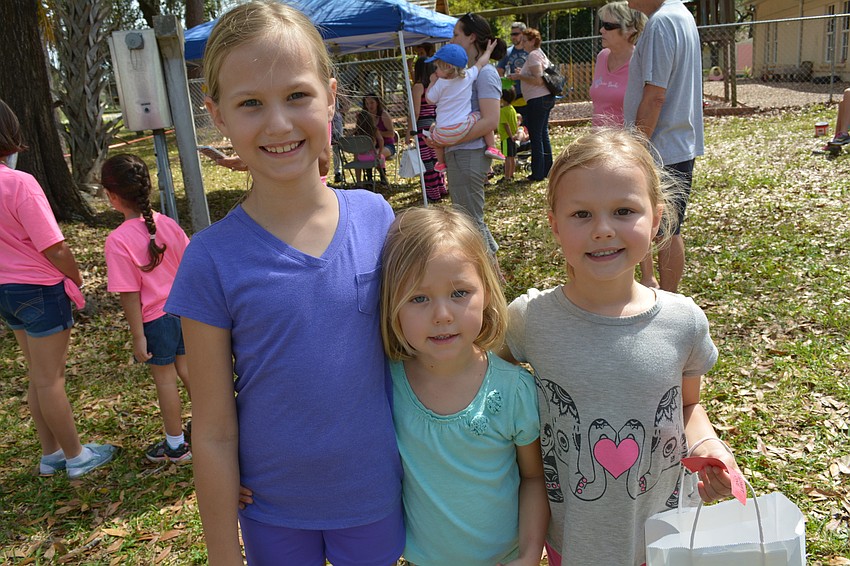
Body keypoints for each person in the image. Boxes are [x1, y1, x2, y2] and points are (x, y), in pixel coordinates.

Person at [164, 2, 403, 565]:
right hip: (272, 510)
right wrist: (224, 553)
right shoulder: (210, 259)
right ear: (217, 115)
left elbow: (419, 361)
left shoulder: (378, 218)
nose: (277, 124)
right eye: (250, 103)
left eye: (297, 95)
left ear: (331, 95)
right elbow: (216, 430)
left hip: (375, 499)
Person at [502, 129, 739, 566]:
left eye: (624, 210)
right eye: (581, 214)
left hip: (666, 533)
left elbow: (687, 407)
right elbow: (492, 386)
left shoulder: (682, 320)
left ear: (656, 218)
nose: (603, 230)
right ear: (555, 223)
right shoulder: (528, 321)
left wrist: (707, 444)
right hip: (571, 535)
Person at [380, 206, 549, 566]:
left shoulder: (515, 390)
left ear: (486, 292)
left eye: (459, 293)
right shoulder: (383, 384)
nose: (442, 314)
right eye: (419, 298)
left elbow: (534, 478)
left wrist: (533, 550)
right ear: (392, 305)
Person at [0, 98, 117, 479]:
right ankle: (76, 456)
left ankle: (50, 454)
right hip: (39, 287)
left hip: (7, 293)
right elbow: (55, 246)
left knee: (38, 374)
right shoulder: (19, 184)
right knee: (50, 379)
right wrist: (76, 277)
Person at [101, 154, 192, 464]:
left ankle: (176, 446)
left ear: (112, 196)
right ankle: (214, 426)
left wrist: (138, 336)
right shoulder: (168, 224)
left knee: (166, 380)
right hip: (186, 311)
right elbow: (190, 266)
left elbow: (129, 294)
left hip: (156, 320)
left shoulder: (117, 240)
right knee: (189, 371)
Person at [624, 0, 703, 293]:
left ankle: (669, 301)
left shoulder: (661, 22)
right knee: (663, 228)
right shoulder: (680, 15)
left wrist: (636, 148)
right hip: (674, 144)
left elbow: (655, 95)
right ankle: (658, 291)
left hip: (661, 148)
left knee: (665, 231)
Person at [431, 12, 506, 259]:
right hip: (459, 153)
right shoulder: (462, 73)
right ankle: (490, 278)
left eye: (456, 34)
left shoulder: (485, 74)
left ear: (471, 37)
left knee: (470, 222)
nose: (451, 40)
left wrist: (447, 139)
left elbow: (490, 121)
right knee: (468, 219)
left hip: (470, 153)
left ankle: (491, 281)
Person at [424, 42, 505, 172]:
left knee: (433, 130)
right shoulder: (468, 76)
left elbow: (429, 99)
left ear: (447, 67)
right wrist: (488, 51)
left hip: (442, 133)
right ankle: (492, 146)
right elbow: (481, 63)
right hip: (462, 127)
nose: (435, 71)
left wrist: (432, 83)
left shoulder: (440, 84)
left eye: (437, 67)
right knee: (482, 116)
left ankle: (440, 163)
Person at [590, 1, 647, 127]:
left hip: (625, 143)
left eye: (608, 26)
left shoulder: (640, 62)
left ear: (629, 30)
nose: (601, 30)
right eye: (602, 25)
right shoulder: (602, 57)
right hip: (600, 141)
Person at [509, 28, 555, 182]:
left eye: (525, 40)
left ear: (533, 41)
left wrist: (519, 76)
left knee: (536, 137)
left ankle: (538, 173)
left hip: (538, 99)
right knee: (542, 134)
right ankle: (547, 169)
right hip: (543, 98)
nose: (522, 43)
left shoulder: (534, 55)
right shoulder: (539, 54)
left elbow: (539, 79)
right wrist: (522, 73)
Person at [406, 57, 448, 202]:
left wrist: (408, 132)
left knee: (426, 162)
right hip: (435, 124)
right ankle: (441, 188)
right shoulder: (435, 86)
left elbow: (415, 112)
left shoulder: (418, 87)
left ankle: (433, 193)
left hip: (422, 127)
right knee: (436, 159)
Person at [497, 22, 529, 115]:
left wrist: (523, 74)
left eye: (515, 34)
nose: (513, 37)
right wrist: (506, 83)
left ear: (523, 34)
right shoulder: (508, 52)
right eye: (511, 34)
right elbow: (500, 70)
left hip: (530, 93)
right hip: (515, 96)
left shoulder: (530, 51)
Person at [353, 108, 387, 186]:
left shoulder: (357, 132)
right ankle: (383, 176)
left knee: (368, 159)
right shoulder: (374, 130)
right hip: (372, 156)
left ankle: (369, 177)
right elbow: (381, 140)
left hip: (361, 157)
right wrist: (380, 151)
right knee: (381, 157)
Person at [363, 93, 397, 161]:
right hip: (372, 146)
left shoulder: (384, 115)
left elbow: (391, 134)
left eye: (372, 102)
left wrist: (377, 133)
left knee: (373, 156)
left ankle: (382, 171)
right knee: (359, 156)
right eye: (367, 103)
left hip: (387, 146)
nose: (369, 106)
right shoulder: (365, 116)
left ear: (377, 103)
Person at [499, 88, 519, 180]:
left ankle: (507, 176)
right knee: (512, 157)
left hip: (507, 137)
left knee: (507, 157)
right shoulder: (512, 109)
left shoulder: (503, 111)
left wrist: (510, 136)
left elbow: (506, 125)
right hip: (513, 137)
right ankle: (511, 174)